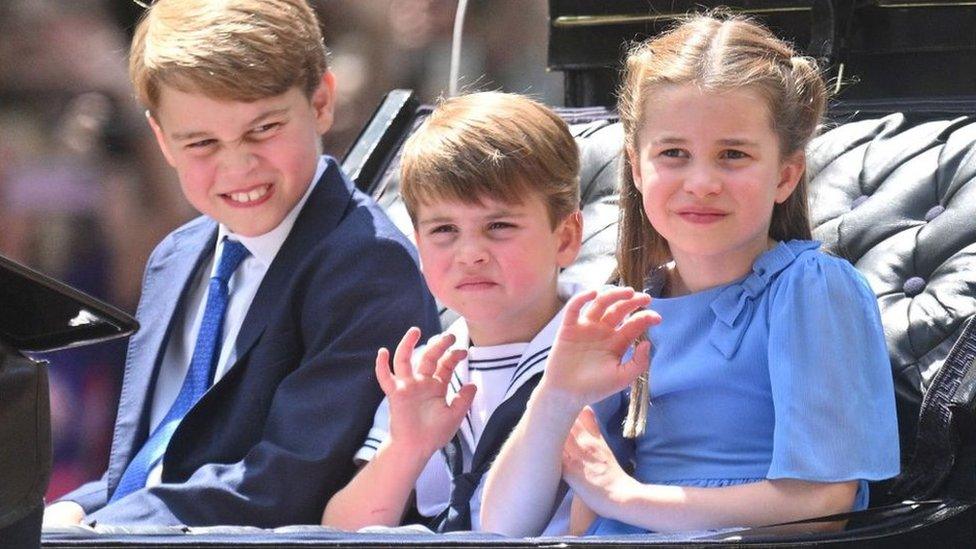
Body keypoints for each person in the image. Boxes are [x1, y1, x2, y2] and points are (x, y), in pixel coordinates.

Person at [481, 13, 900, 536]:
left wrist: (626, 497)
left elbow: (824, 503)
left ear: (785, 176)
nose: (701, 182)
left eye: (733, 155)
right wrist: (557, 393)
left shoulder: (809, 290)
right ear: (637, 168)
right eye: (674, 154)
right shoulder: (627, 308)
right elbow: (502, 528)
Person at [43, 0, 439, 527]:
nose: (237, 166)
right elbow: (155, 466)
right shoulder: (176, 257)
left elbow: (287, 481)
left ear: (321, 101)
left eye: (263, 129)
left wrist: (101, 530)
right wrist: (70, 511)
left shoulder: (365, 264)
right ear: (162, 139)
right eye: (202, 142)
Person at [321, 91, 584, 534]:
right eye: (444, 230)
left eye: (499, 226)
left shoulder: (606, 349)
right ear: (419, 246)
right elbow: (339, 531)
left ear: (565, 237)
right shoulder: (428, 371)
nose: (470, 254)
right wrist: (408, 447)